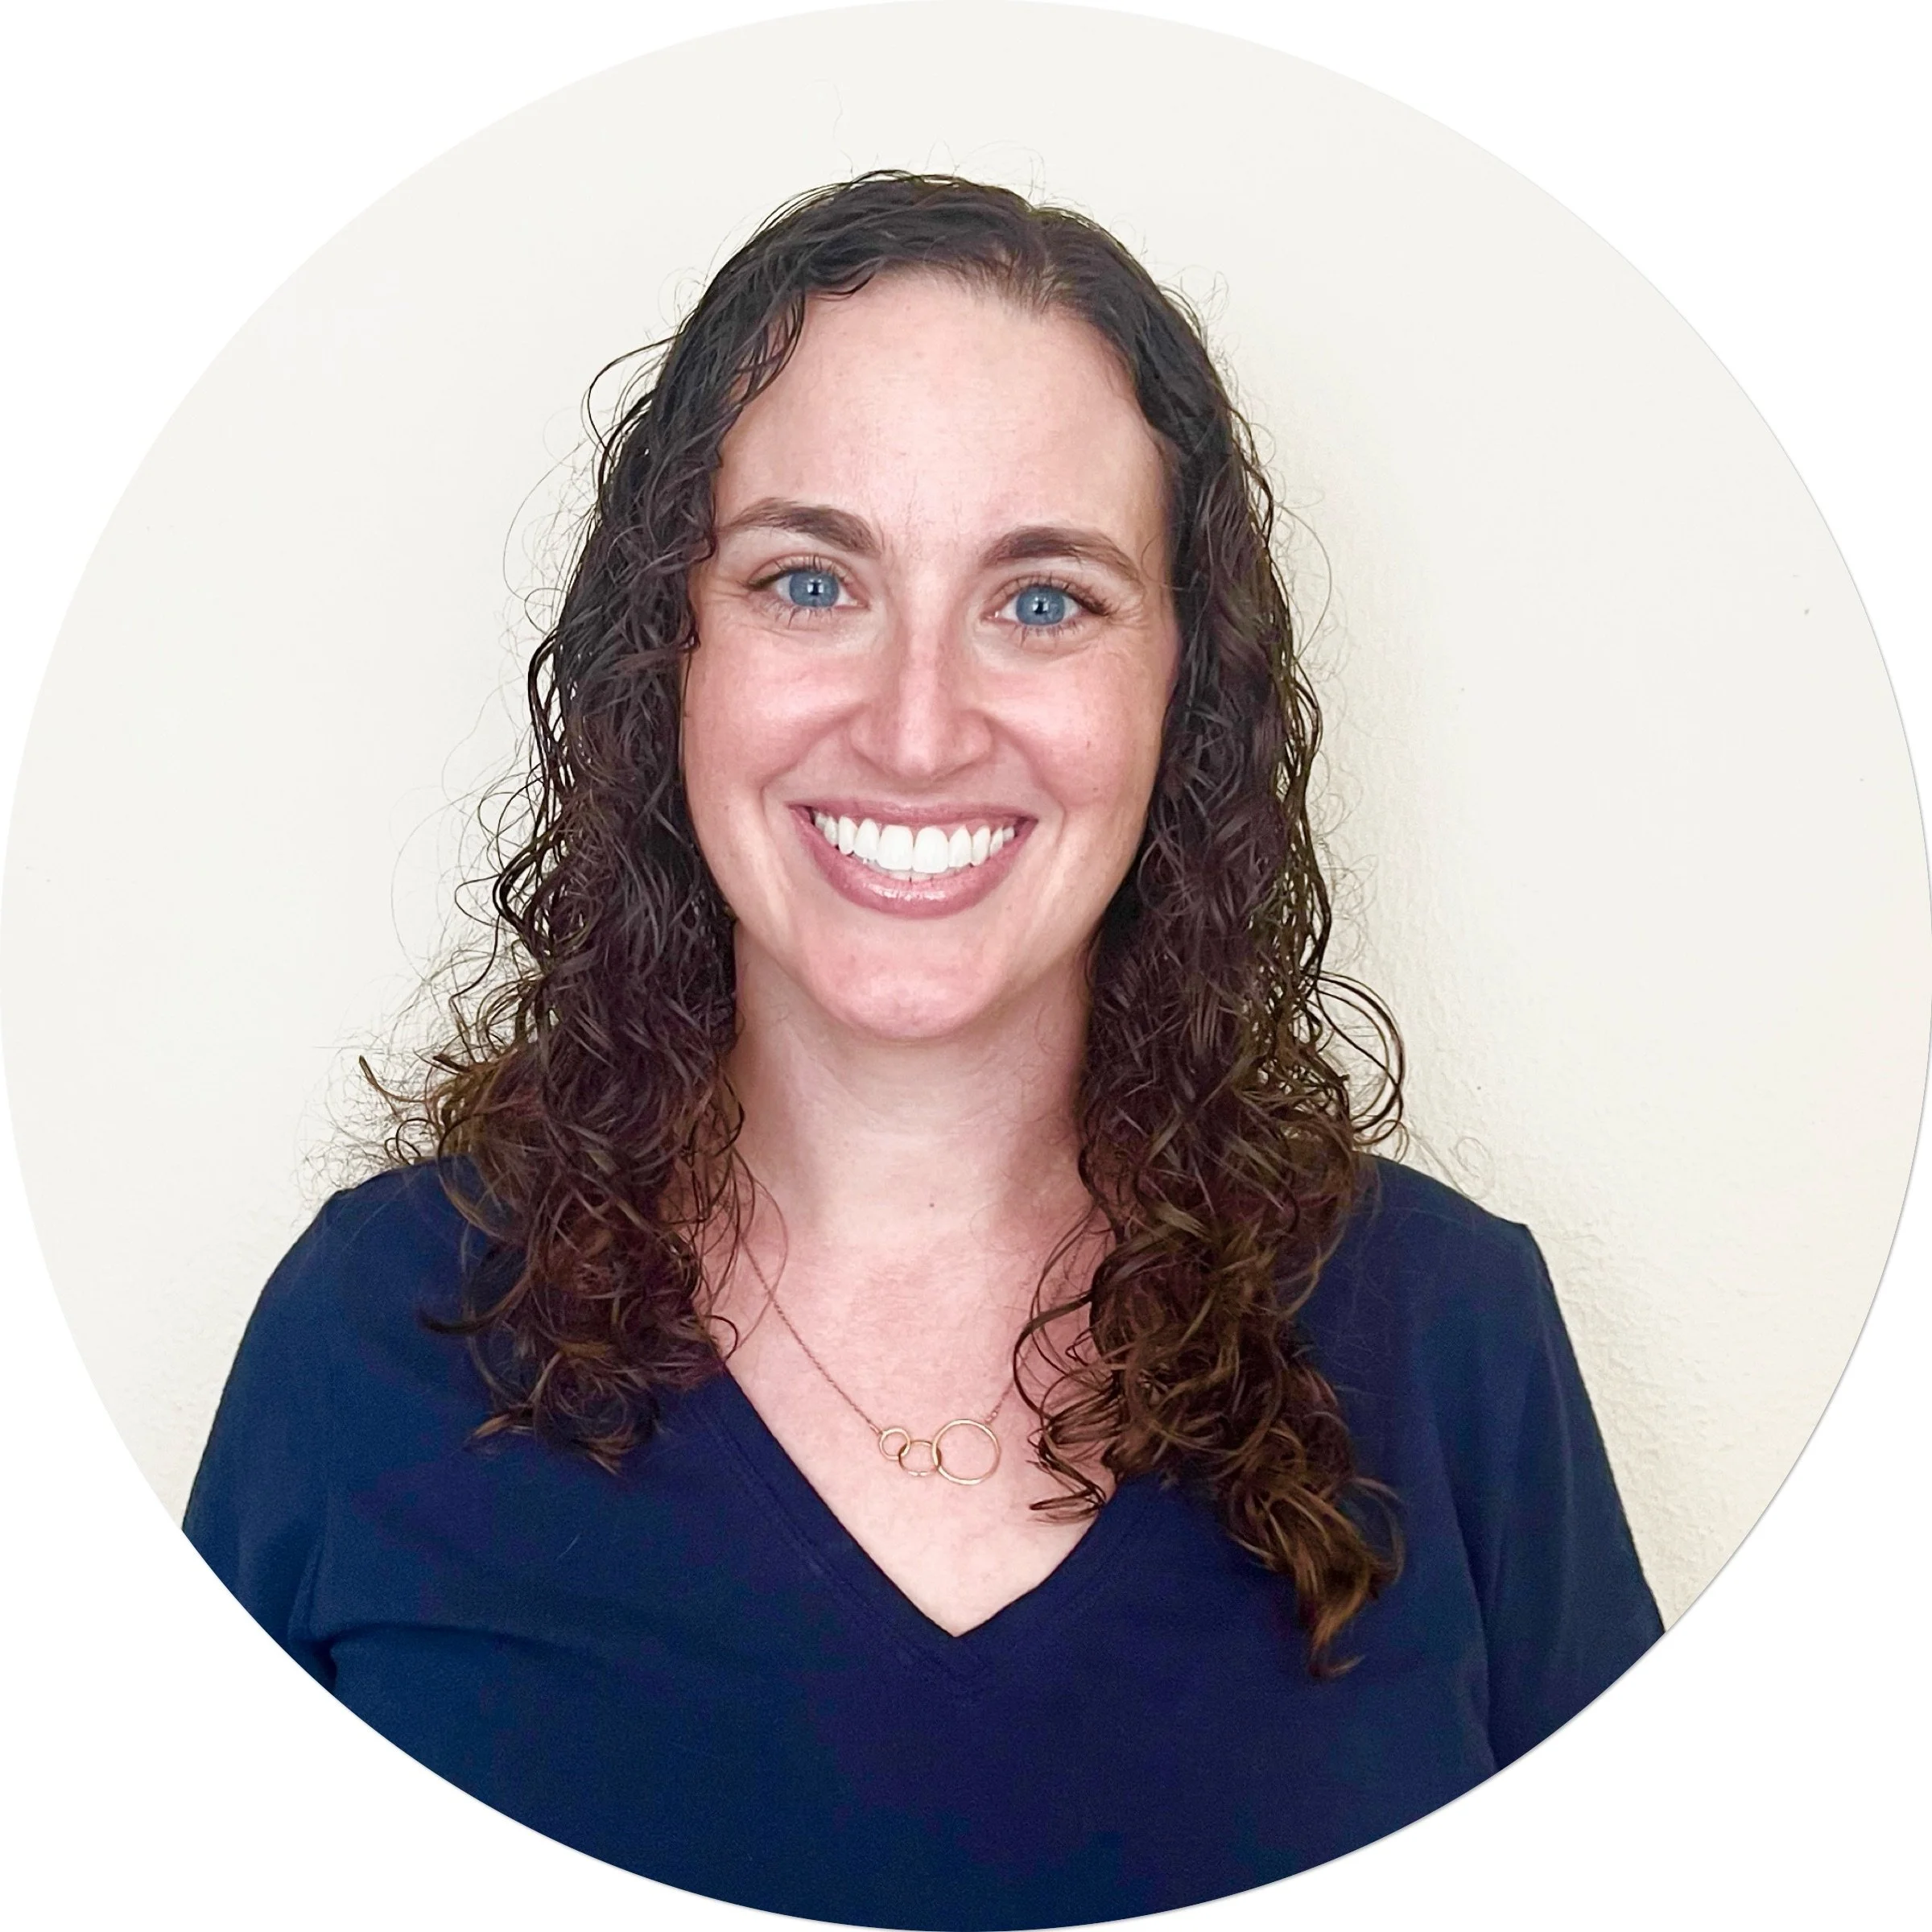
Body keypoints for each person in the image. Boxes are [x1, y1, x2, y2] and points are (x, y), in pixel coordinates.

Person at [184, 172, 1661, 1929]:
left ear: (1183, 688)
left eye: (1044, 602)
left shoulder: (1449, 1339)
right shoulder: (375, 1337)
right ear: (673, 651)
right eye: (812, 581)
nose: (915, 724)